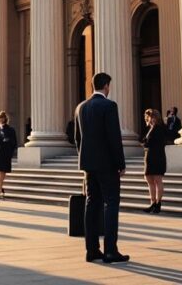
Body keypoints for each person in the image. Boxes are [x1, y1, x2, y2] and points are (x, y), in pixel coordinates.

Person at [75, 72, 128, 264]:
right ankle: (111, 250)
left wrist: (85, 160)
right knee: (111, 204)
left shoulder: (81, 107)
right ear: (106, 85)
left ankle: (92, 250)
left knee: (92, 204)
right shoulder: (109, 105)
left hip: (89, 165)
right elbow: (114, 137)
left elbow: (78, 139)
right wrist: (120, 163)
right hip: (107, 165)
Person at [140, 108, 167, 214]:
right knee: (149, 179)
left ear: (157, 118)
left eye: (152, 117)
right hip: (149, 156)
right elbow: (145, 141)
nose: (150, 120)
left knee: (157, 180)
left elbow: (148, 142)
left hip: (158, 156)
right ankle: (152, 203)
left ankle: (158, 204)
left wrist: (145, 142)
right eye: (149, 118)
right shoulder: (150, 128)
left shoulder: (160, 128)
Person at [0, 111, 17, 201]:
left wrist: (10, 152)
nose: (1, 119)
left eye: (2, 117)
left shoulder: (10, 130)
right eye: (0, 117)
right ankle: (0, 188)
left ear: (5, 119)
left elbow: (14, 142)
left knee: (1, 171)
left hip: (6, 153)